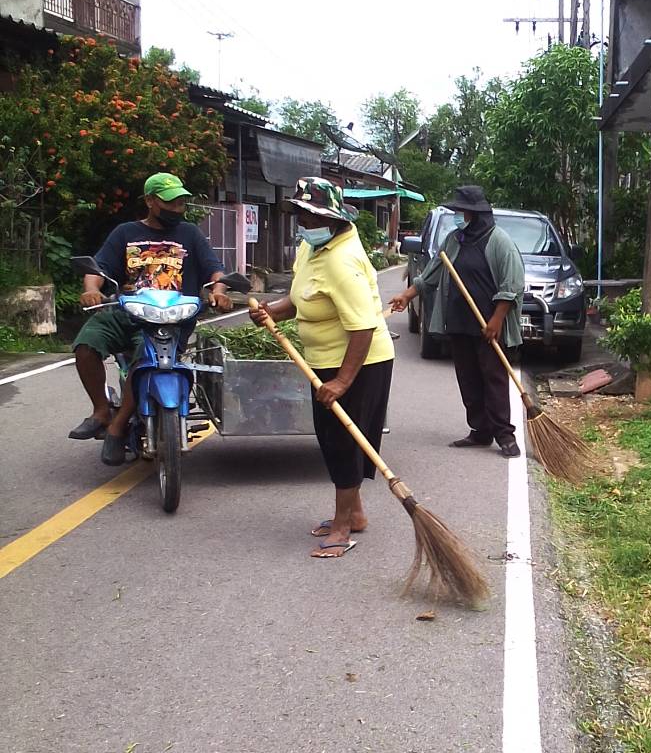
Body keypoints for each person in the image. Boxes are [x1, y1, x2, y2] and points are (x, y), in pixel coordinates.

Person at [250, 178, 394, 559]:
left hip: (360, 362)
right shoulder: (310, 250)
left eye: (309, 215)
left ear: (330, 219)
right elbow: (300, 300)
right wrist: (271, 313)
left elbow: (363, 325)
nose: (301, 221)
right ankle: (355, 513)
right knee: (332, 441)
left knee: (344, 444)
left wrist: (343, 381)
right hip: (324, 361)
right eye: (298, 213)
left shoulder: (343, 261)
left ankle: (343, 526)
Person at [69, 172, 232, 464]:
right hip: (128, 312)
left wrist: (218, 291)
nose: (177, 208)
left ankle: (118, 427)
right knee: (86, 344)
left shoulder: (190, 234)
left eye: (181, 202)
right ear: (150, 201)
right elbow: (97, 269)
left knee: (146, 359)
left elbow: (215, 271)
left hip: (174, 317)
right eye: (170, 202)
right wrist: (91, 290)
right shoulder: (125, 233)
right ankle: (101, 411)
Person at [389, 185, 525, 457]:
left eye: (463, 211)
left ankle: (505, 435)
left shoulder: (499, 242)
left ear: (477, 214)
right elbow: (430, 275)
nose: (459, 215)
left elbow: (512, 285)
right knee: (468, 378)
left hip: (489, 326)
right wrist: (407, 294)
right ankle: (480, 431)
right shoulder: (454, 240)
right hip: (460, 321)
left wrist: (496, 320)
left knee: (494, 379)